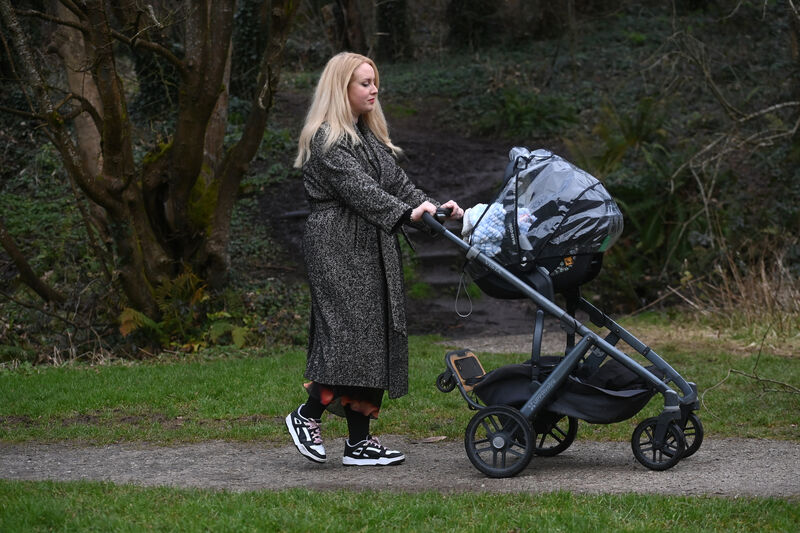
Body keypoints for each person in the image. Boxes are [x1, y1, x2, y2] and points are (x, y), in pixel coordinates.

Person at [286, 52, 463, 466]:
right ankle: (306, 415)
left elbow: (399, 186)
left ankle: (358, 443)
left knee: (376, 338)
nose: (374, 89)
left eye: (374, 82)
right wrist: (407, 214)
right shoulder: (326, 140)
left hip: (371, 245)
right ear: (341, 88)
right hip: (336, 247)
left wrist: (436, 210)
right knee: (350, 339)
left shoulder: (368, 137)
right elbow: (361, 191)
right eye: (364, 83)